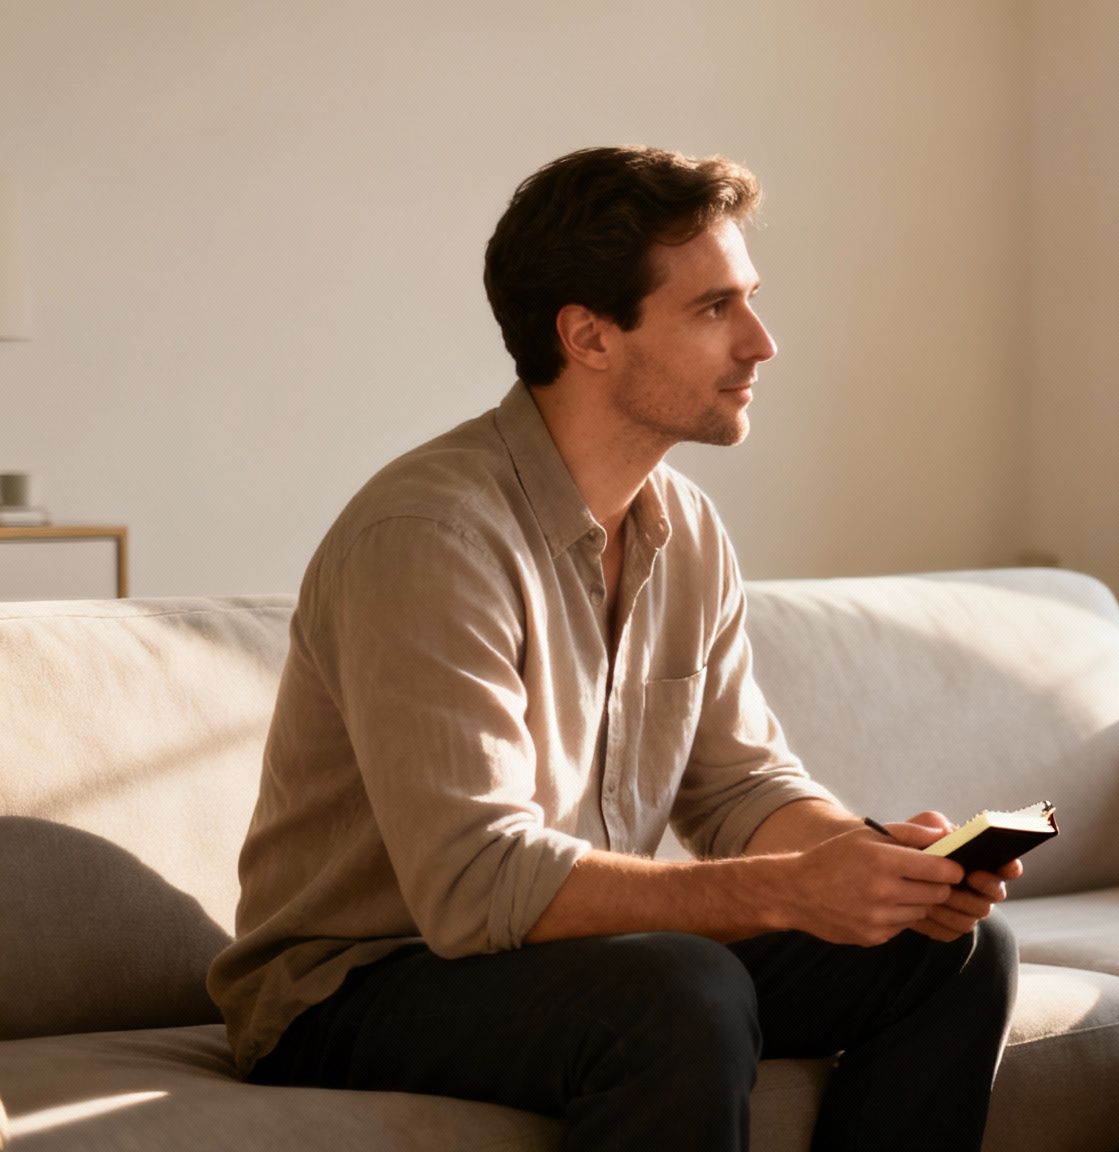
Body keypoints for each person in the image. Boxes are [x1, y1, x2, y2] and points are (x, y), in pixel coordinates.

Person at [207, 146, 1019, 1151]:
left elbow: (737, 788)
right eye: (714, 309)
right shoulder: (430, 537)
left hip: (568, 956)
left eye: (748, 300)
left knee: (947, 952)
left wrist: (865, 858)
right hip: (357, 983)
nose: (761, 343)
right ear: (588, 336)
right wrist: (785, 891)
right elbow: (473, 883)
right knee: (679, 989)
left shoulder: (683, 527)